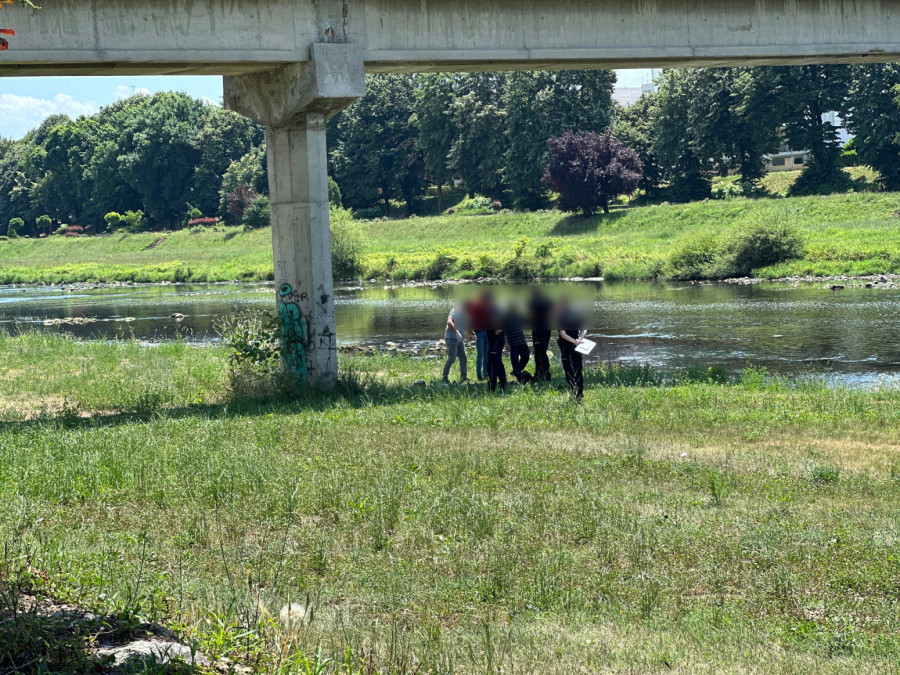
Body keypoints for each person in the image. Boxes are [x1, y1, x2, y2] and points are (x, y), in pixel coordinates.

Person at [557, 297, 586, 400]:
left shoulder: (561, 316)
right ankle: (580, 393)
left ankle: (574, 393)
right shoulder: (576, 314)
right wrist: (579, 339)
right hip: (578, 345)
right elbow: (584, 329)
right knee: (578, 368)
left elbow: (562, 333)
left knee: (569, 369)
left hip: (567, 346)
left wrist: (574, 341)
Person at [528, 287, 553, 382]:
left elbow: (531, 316)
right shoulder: (547, 300)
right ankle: (541, 373)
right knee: (543, 350)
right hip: (547, 329)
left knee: (539, 352)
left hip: (538, 329)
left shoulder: (532, 302)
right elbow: (552, 314)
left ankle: (543, 374)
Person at [503, 301, 531, 383]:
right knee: (514, 360)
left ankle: (517, 371)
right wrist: (506, 343)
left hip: (521, 340)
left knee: (526, 356)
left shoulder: (519, 315)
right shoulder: (505, 317)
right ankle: (518, 375)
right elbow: (503, 332)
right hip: (512, 342)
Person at [442, 302, 469, 384]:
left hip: (459, 339)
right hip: (451, 337)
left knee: (463, 357)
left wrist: (472, 333)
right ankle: (444, 377)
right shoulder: (455, 311)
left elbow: (465, 325)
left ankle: (464, 377)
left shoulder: (466, 313)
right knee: (452, 358)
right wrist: (456, 332)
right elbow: (449, 322)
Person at [468, 291, 491, 381]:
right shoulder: (475, 306)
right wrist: (470, 332)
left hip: (487, 332)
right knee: (480, 354)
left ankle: (485, 373)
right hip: (479, 332)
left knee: (486, 353)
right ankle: (479, 375)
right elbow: (470, 319)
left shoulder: (487, 306)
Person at [486, 309, 507, 393]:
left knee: (495, 362)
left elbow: (503, 332)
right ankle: (503, 383)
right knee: (496, 362)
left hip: (497, 343)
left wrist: (500, 331)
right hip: (492, 342)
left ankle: (493, 385)